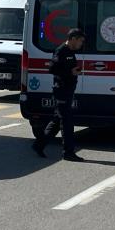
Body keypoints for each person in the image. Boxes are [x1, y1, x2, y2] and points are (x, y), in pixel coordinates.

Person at [33, 28, 86, 161]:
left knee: (57, 120)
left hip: (67, 90)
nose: (81, 44)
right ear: (73, 39)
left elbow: (66, 67)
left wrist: (73, 71)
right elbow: (52, 69)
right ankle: (68, 152)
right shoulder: (61, 50)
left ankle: (39, 145)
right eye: (80, 41)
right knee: (67, 122)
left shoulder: (70, 52)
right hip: (61, 90)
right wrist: (70, 72)